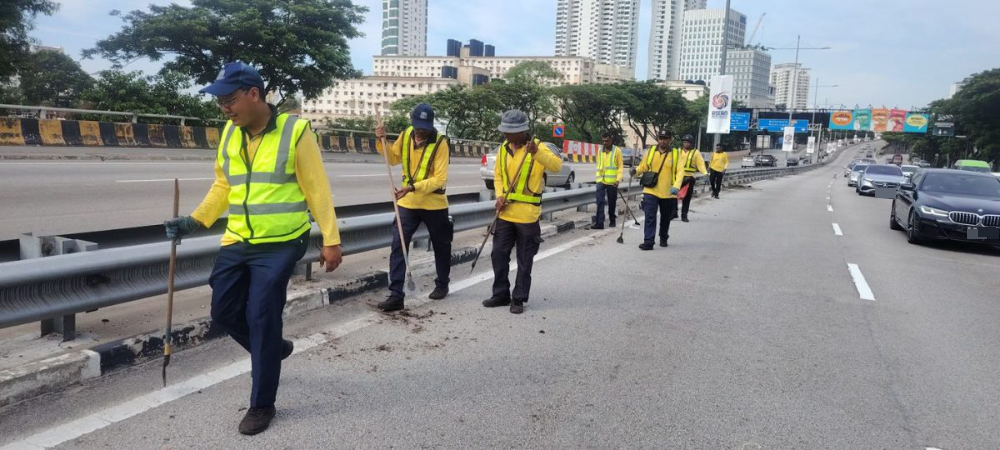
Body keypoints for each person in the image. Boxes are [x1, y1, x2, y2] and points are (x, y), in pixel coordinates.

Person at [164, 62, 343, 436]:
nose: (224, 108)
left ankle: (262, 403)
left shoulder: (295, 131)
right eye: (220, 102)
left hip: (280, 243)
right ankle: (273, 349)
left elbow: (317, 188)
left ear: (254, 94)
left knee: (262, 314)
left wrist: (331, 239)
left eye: (230, 100)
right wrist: (194, 221)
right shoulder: (230, 134)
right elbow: (222, 187)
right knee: (224, 311)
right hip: (238, 239)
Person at [373, 104, 452, 312]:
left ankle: (442, 284)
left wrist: (413, 187)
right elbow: (393, 160)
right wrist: (381, 142)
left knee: (441, 245)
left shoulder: (441, 143)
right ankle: (396, 294)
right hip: (408, 203)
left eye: (424, 127)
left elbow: (440, 179)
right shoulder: (406, 134)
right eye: (417, 126)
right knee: (399, 245)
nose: (420, 131)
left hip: (434, 203)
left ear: (431, 125)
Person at [483, 110, 562, 314]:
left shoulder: (538, 147)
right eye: (505, 131)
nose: (507, 135)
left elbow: (556, 166)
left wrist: (537, 152)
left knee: (524, 260)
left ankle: (518, 298)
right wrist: (499, 195)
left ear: (523, 131)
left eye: (512, 132)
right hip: (505, 214)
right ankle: (501, 293)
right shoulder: (503, 148)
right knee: (498, 254)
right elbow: (498, 176)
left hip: (527, 215)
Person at [632, 130, 684, 250]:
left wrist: (676, 186)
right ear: (658, 139)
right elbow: (643, 166)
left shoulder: (676, 154)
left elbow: (680, 171)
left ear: (670, 140)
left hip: (668, 192)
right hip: (651, 190)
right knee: (650, 216)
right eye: (661, 138)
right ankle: (649, 241)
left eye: (666, 138)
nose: (663, 141)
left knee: (665, 218)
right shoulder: (650, 152)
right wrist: (636, 171)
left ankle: (663, 236)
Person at [592, 132, 623, 230]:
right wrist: (598, 179)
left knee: (612, 202)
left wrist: (618, 180)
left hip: (612, 182)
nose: (605, 143)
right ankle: (599, 223)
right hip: (601, 180)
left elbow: (620, 167)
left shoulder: (617, 151)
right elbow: (599, 165)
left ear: (611, 140)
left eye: (607, 141)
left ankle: (612, 219)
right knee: (600, 202)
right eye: (603, 141)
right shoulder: (600, 150)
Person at [677, 134, 708, 222]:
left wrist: (705, 173)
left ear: (691, 143)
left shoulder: (696, 152)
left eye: (688, 142)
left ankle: (684, 215)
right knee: (672, 196)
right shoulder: (678, 151)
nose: (686, 144)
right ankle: (673, 213)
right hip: (677, 177)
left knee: (686, 198)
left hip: (689, 178)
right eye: (684, 142)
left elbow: (701, 164)